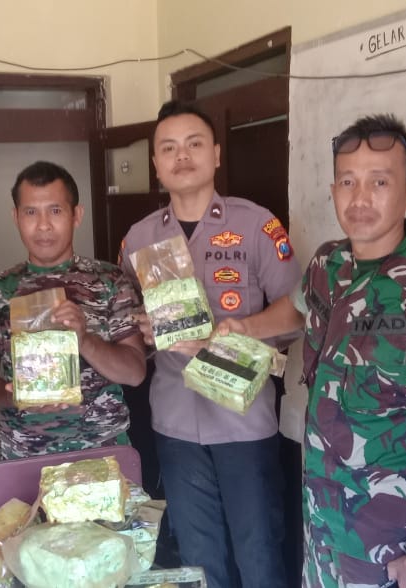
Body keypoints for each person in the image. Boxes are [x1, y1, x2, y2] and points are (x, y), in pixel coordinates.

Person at [223, 114, 406, 588]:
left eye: (379, 182)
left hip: (388, 545)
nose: (360, 198)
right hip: (321, 527)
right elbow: (297, 308)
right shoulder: (328, 262)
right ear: (333, 191)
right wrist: (245, 327)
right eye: (348, 182)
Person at [118, 101, 301, 588]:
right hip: (175, 421)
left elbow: (298, 311)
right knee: (198, 559)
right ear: (156, 164)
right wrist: (143, 331)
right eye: (169, 148)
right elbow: (126, 324)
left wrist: (242, 328)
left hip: (244, 420)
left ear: (216, 155)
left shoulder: (256, 225)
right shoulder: (137, 240)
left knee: (259, 552)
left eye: (194, 144)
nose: (182, 156)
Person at [0, 161, 146, 460]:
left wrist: (84, 339)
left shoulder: (110, 281)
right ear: (15, 217)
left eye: (55, 210)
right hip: (25, 453)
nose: (43, 225)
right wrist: (15, 397)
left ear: (77, 215)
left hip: (103, 452)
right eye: (30, 212)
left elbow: (135, 373)